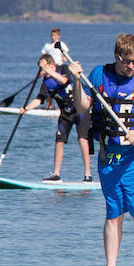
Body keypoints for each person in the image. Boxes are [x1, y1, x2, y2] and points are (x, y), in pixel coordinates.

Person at [74, 33, 134, 266]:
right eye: (127, 61)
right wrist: (76, 80)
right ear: (117, 56)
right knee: (113, 214)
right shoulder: (98, 75)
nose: (132, 66)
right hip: (108, 157)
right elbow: (82, 106)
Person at [20, 52, 93, 182]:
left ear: (52, 65)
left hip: (81, 111)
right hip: (65, 114)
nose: (42, 72)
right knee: (59, 141)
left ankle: (88, 175)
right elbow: (39, 99)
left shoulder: (64, 69)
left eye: (43, 68)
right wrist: (26, 108)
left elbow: (64, 80)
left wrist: (49, 71)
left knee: (82, 139)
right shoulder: (46, 83)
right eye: (41, 69)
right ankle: (56, 174)